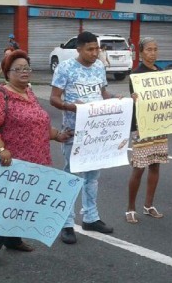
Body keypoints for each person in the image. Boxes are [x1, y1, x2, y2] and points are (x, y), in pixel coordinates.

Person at [0, 50, 71, 268]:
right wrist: (1, 149)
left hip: (33, 163)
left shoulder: (30, 94)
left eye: (26, 68)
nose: (24, 72)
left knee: (23, 204)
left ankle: (13, 240)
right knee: (3, 206)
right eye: (17, 69)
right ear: (7, 73)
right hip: (9, 165)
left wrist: (58, 135)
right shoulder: (0, 96)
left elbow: (39, 126)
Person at [50, 31, 116, 244]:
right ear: (78, 49)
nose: (95, 53)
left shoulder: (99, 67)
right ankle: (67, 223)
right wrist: (72, 107)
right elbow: (54, 98)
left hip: (97, 133)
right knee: (72, 177)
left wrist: (117, 101)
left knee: (92, 178)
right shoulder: (65, 68)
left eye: (97, 49)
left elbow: (103, 94)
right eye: (90, 49)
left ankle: (91, 217)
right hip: (73, 131)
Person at [126, 37, 169, 223]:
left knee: (155, 165)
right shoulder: (136, 75)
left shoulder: (161, 72)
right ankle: (130, 208)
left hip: (158, 126)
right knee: (139, 168)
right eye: (149, 49)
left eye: (155, 49)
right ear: (141, 53)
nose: (152, 53)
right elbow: (136, 101)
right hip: (141, 127)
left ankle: (148, 205)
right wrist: (133, 98)